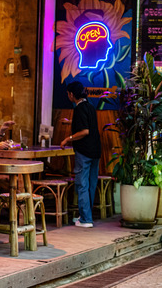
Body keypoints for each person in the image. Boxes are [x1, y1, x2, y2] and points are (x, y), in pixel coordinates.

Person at [60, 81, 101, 228]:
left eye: (68, 93)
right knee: (90, 184)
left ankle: (85, 219)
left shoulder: (79, 108)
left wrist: (68, 139)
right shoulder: (89, 106)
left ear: (71, 94)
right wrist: (69, 122)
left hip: (84, 151)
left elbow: (84, 131)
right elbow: (86, 123)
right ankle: (86, 215)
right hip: (95, 151)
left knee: (82, 185)